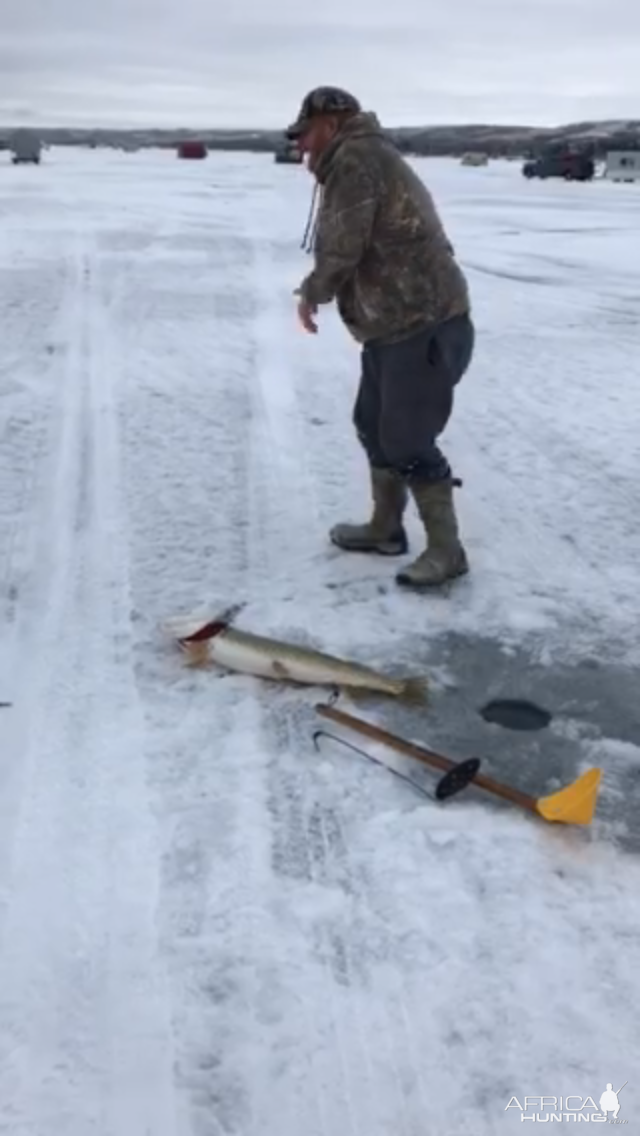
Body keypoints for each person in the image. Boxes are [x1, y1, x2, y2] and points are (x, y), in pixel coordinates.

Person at [286, 86, 475, 588]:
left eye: (305, 134)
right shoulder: (356, 158)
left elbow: (343, 245)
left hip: (424, 320)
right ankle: (385, 528)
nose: (301, 146)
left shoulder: (357, 158)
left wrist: (312, 293)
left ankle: (447, 551)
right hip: (392, 324)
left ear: (330, 122)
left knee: (408, 438)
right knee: (372, 423)